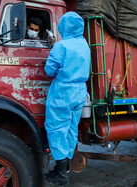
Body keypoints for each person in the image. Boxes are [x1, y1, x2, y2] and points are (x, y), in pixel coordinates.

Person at [44, 11, 90, 186]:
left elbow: (49, 71)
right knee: (71, 128)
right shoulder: (84, 44)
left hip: (64, 92)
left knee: (57, 128)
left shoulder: (60, 46)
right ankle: (66, 167)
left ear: (63, 27)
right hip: (80, 90)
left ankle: (61, 174)